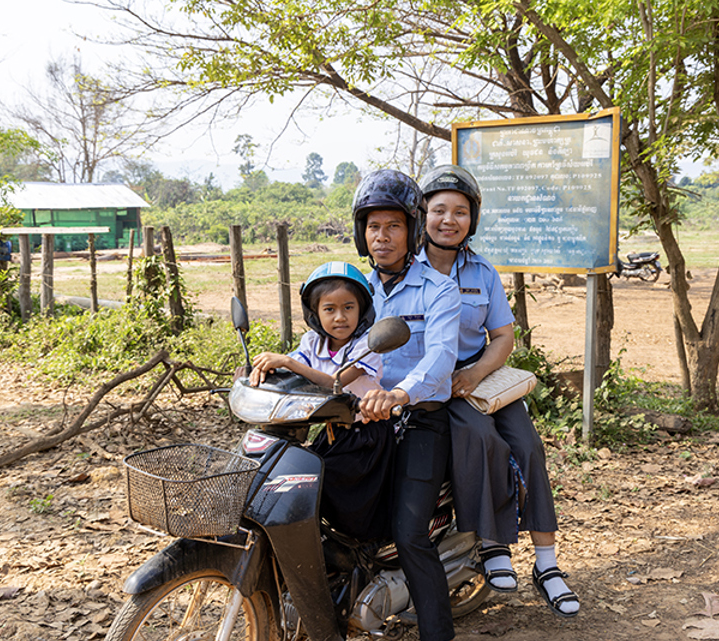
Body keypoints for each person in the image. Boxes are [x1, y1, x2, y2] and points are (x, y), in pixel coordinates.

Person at [417, 164, 580, 618]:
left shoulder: (482, 271)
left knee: (528, 446)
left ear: (474, 219)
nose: (449, 220)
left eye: (461, 212)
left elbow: (503, 337)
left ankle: (547, 564)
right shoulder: (406, 270)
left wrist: (475, 375)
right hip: (435, 384)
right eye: (439, 210)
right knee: (482, 441)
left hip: (480, 377)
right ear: (422, 215)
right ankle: (493, 544)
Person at [353, 169, 461, 641]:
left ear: (412, 231)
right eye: (373, 227)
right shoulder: (355, 288)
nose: (382, 237)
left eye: (393, 226)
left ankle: (438, 632)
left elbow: (439, 358)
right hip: (361, 418)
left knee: (409, 531)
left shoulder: (440, 289)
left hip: (419, 420)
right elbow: (326, 337)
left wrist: (400, 394)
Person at [249, 261, 394, 541]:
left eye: (348, 307)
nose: (340, 317)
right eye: (329, 309)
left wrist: (289, 361)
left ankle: (357, 550)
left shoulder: (368, 346)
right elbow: (290, 370)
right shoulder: (312, 343)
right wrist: (264, 369)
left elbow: (334, 383)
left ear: (363, 310)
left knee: (328, 493)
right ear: (315, 314)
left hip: (365, 439)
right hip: (331, 433)